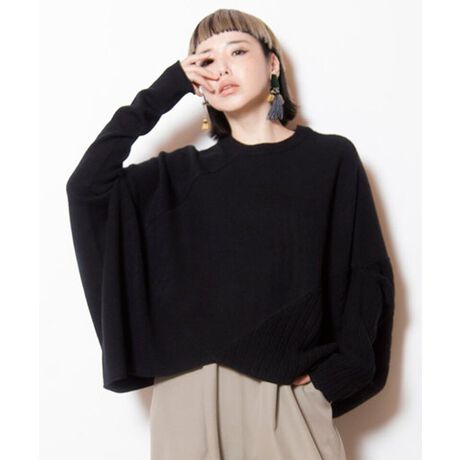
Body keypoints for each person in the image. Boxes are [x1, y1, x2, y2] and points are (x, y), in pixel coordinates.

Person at [66, 8, 395, 460]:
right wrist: (165, 90)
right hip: (186, 401)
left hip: (284, 400)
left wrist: (331, 381)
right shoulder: (179, 177)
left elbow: (365, 274)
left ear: (272, 63)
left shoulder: (329, 160)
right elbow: (87, 188)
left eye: (237, 52)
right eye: (205, 62)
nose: (221, 69)